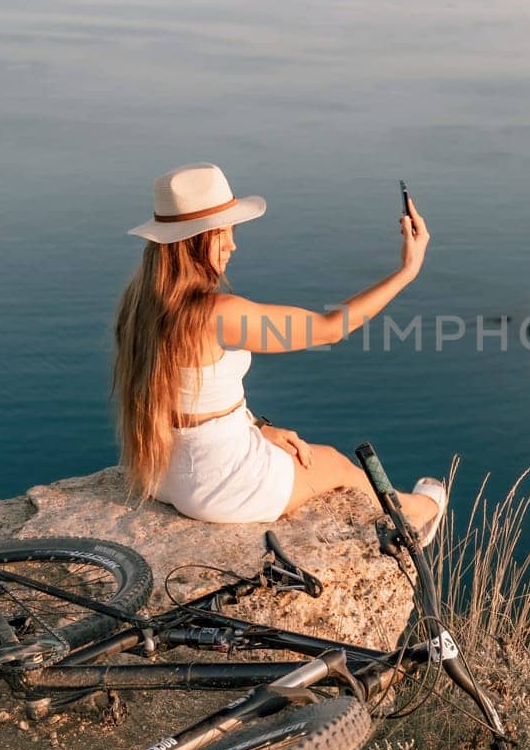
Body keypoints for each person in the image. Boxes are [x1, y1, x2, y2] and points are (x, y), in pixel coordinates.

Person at [111, 162, 446, 544]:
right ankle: (422, 514)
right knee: (337, 465)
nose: (233, 244)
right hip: (216, 484)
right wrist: (408, 269)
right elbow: (330, 328)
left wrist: (258, 428)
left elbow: (186, 395)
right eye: (223, 234)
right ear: (195, 241)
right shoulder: (217, 313)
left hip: (162, 473)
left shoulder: (138, 303)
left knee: (309, 455)